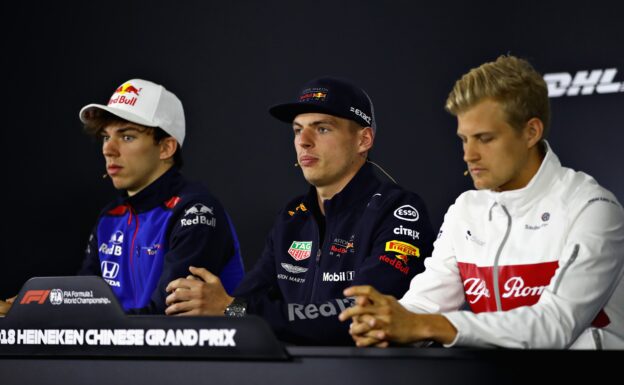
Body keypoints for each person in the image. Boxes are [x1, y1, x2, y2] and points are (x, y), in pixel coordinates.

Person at [339, 55, 624, 349]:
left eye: (485, 139)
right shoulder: (466, 210)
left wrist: (428, 325)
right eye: (464, 139)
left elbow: (555, 324)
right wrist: (384, 325)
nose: (469, 154)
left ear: (531, 132)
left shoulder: (593, 208)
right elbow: (425, 306)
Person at [165, 76, 435, 345]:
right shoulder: (293, 216)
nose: (303, 141)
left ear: (363, 140)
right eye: (297, 130)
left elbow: (360, 315)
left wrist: (230, 309)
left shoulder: (397, 210)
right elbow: (245, 300)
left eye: (322, 129)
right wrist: (209, 305)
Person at [0, 79, 245, 316]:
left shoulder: (196, 211)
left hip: (185, 357)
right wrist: (29, 311)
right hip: (121, 355)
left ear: (166, 148)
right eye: (106, 137)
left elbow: (166, 316)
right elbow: (82, 300)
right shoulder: (110, 217)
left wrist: (43, 314)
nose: (108, 149)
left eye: (127, 137)